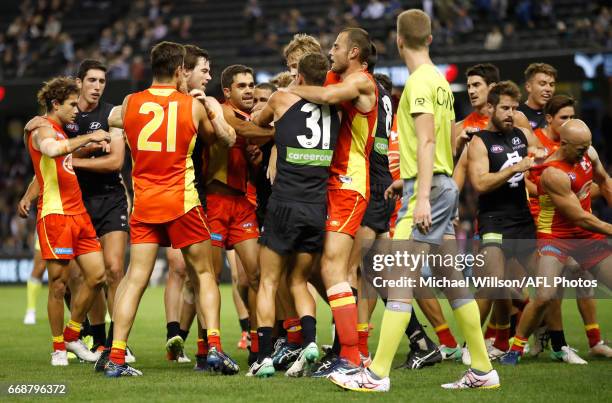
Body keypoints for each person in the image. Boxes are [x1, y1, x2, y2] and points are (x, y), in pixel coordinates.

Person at [330, 10, 498, 392]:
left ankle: (376, 375)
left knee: (399, 280)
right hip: (436, 187)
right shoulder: (439, 80)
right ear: (431, 39)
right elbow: (441, 141)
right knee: (454, 283)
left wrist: (419, 196)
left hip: (428, 193)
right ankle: (483, 370)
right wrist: (408, 184)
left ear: (398, 40)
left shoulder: (420, 82)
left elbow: (425, 141)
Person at [104, 41, 238, 377]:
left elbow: (113, 119)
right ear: (180, 70)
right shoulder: (190, 106)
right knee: (205, 275)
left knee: (135, 279)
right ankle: (216, 351)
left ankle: (116, 356)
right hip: (182, 203)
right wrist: (211, 110)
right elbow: (221, 139)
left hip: (145, 204)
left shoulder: (130, 102)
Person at [23, 59, 133, 361]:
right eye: (72, 105)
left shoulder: (62, 129)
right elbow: (52, 152)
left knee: (98, 276)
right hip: (56, 215)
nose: (77, 111)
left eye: (102, 81)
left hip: (81, 212)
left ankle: (73, 336)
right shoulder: (41, 128)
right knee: (59, 284)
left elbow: (59, 160)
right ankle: (59, 348)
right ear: (57, 104)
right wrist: (89, 138)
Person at [287, 27, 378, 377]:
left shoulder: (361, 83)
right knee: (311, 267)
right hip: (330, 183)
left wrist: (289, 91)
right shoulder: (337, 75)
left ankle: (352, 356)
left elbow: (325, 97)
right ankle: (348, 343)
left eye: (337, 47)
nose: (331, 52)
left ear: (354, 52)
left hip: (350, 184)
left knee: (333, 269)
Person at [248, 52, 340, 378]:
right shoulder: (335, 109)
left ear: (298, 75)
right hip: (317, 206)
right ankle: (311, 342)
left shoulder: (281, 98)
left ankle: (262, 358)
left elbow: (255, 126)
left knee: (269, 283)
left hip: (284, 202)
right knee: (300, 280)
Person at [501, 119, 612, 365]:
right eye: (581, 148)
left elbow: (604, 182)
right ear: (564, 144)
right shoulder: (553, 173)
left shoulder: (588, 152)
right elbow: (578, 217)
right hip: (555, 236)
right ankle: (516, 348)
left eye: (588, 146)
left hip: (586, 237)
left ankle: (595, 343)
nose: (587, 152)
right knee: (544, 295)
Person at [468, 81, 540, 360]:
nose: (511, 113)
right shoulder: (480, 142)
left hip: (523, 221)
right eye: (505, 108)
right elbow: (480, 183)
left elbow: (540, 155)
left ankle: (518, 344)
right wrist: (515, 168)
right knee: (491, 284)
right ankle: (472, 346)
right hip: (494, 221)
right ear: (490, 109)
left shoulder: (522, 134)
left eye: (514, 108)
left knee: (547, 287)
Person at [207, 64, 273, 365]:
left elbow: (250, 144)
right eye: (242, 86)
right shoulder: (220, 111)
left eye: (251, 85)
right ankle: (207, 346)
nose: (248, 90)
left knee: (256, 275)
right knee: (208, 277)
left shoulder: (249, 117)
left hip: (241, 204)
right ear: (227, 92)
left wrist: (256, 160)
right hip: (214, 203)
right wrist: (278, 132)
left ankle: (259, 348)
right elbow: (244, 131)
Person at [517, 63, 557, 130]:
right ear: (528, 87)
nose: (548, 89)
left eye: (551, 85)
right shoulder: (515, 114)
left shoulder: (558, 115)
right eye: (542, 84)